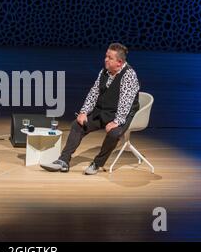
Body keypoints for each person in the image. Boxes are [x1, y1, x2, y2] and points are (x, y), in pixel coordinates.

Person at [41, 43, 140, 175]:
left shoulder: (129, 75)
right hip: (104, 111)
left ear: (119, 62)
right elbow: (93, 93)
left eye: (110, 58)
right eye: (106, 56)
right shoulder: (104, 72)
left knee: (114, 133)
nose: (106, 59)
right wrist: (83, 112)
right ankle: (63, 160)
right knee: (77, 125)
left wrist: (117, 121)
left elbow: (125, 102)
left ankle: (97, 163)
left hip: (121, 114)